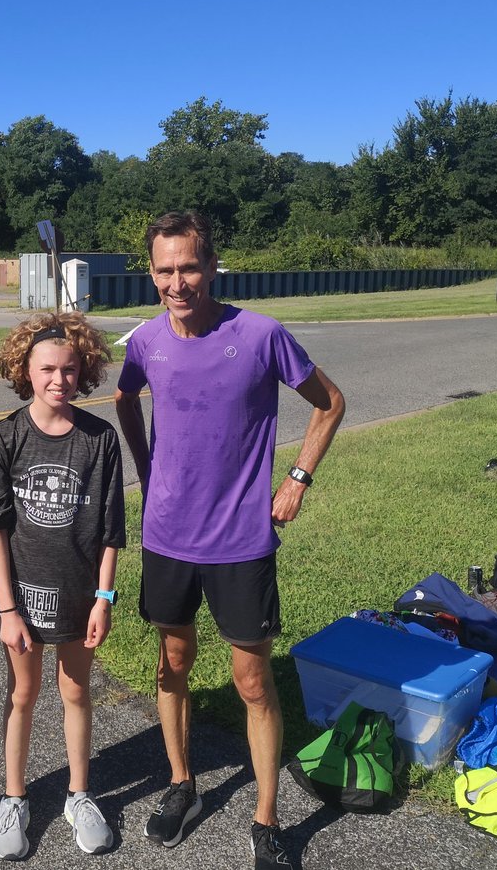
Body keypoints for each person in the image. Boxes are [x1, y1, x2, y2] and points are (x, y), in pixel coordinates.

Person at [114, 211, 345, 868]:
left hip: (241, 539)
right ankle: (181, 783)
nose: (178, 282)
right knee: (173, 664)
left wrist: (298, 478)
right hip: (167, 536)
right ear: (152, 273)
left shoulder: (261, 334)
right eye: (165, 270)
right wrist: (144, 466)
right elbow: (126, 400)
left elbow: (330, 403)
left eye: (190, 267)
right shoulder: (144, 342)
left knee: (251, 679)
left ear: (213, 267)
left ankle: (266, 818)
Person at [0, 312, 126, 859]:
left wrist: (104, 598)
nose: (58, 380)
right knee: (22, 694)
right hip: (23, 597)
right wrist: (7, 609)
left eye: (68, 369)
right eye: (46, 369)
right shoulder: (4, 439)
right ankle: (13, 798)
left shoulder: (99, 440)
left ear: (83, 371)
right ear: (25, 370)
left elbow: (111, 530)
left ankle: (78, 794)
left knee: (75, 692)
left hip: (81, 595)